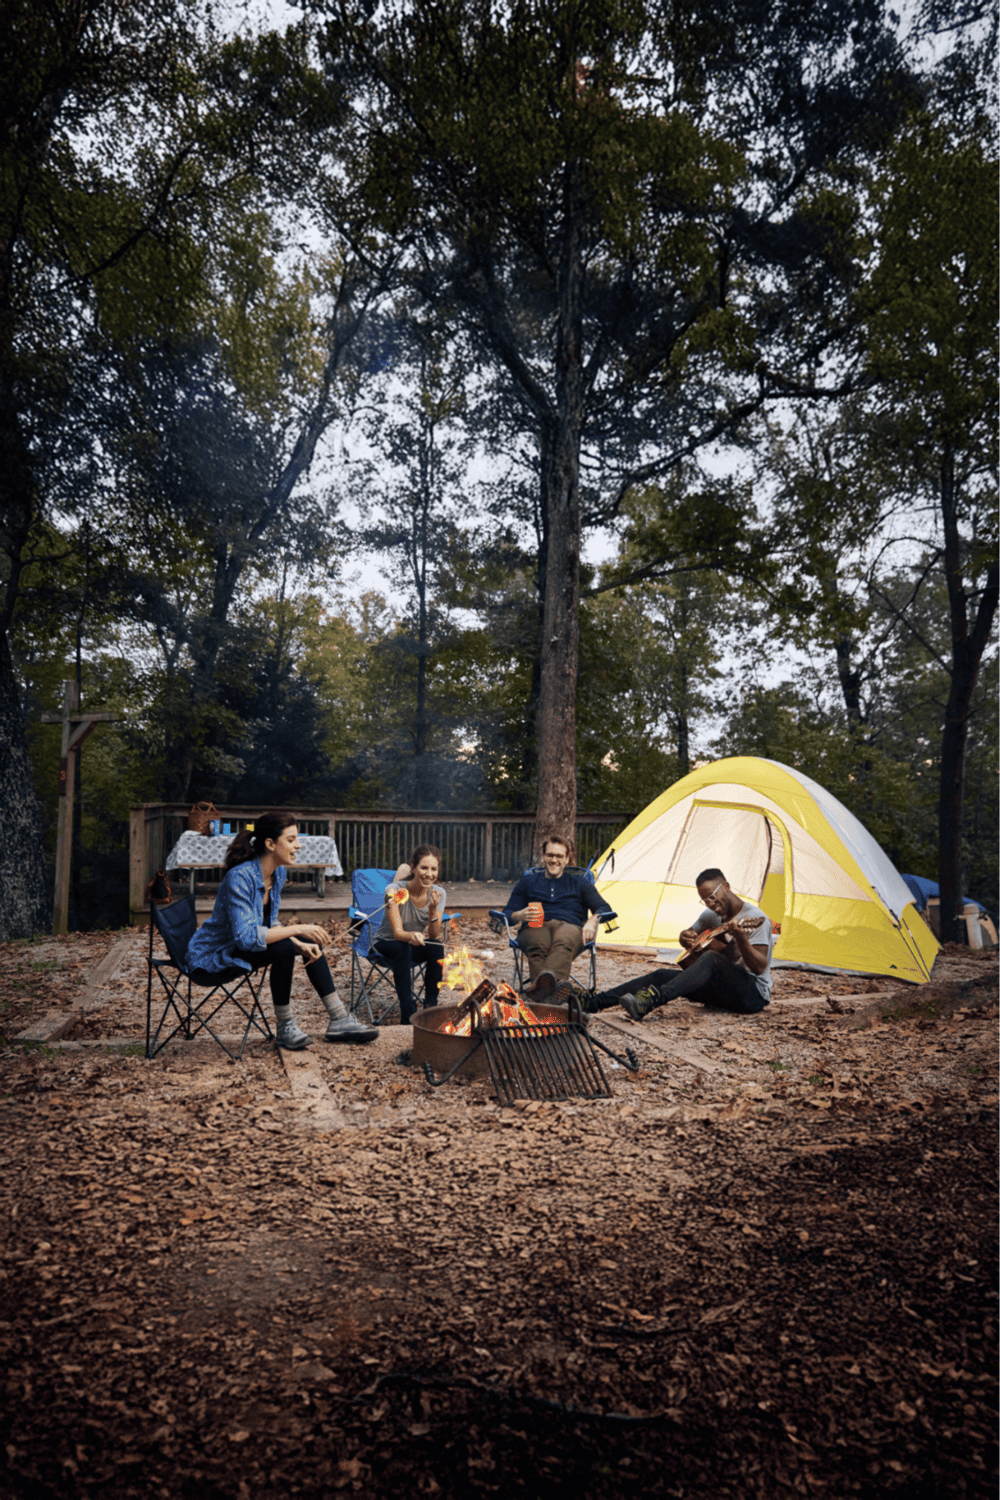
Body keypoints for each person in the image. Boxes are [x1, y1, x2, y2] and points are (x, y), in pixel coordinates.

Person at [184, 811, 377, 1049]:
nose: (299, 845)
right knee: (286, 945)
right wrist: (298, 929)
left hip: (241, 946)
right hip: (214, 956)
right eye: (291, 839)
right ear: (270, 844)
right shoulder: (239, 878)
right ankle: (285, 1026)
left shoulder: (277, 873)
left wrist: (299, 940)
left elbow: (269, 922)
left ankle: (339, 1018)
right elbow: (246, 937)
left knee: (306, 944)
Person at [572, 868, 773, 1019]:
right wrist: (684, 937)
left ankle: (650, 1001)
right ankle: (594, 1002)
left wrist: (740, 937)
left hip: (752, 996)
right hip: (723, 994)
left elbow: (759, 967)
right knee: (661, 974)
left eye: (712, 897)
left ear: (726, 887)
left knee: (712, 958)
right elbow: (690, 934)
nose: (711, 904)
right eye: (705, 901)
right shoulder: (711, 916)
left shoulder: (754, 918)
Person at [502, 836, 614, 993]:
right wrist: (519, 915)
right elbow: (506, 914)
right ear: (544, 856)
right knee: (538, 944)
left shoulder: (580, 883)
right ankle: (552, 992)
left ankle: (538, 991)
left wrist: (593, 919)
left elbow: (604, 907)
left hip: (570, 926)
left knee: (563, 941)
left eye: (559, 856)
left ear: (567, 859)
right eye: (550, 855)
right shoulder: (528, 882)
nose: (554, 860)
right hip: (535, 926)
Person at [372, 845, 447, 1025]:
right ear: (413, 867)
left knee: (436, 947)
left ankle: (430, 1007)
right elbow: (397, 933)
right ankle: (408, 1012)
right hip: (385, 944)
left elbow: (434, 935)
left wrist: (432, 909)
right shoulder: (395, 890)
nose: (429, 874)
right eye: (424, 867)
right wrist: (411, 935)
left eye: (433, 869)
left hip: (410, 945)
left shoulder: (439, 893)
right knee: (402, 946)